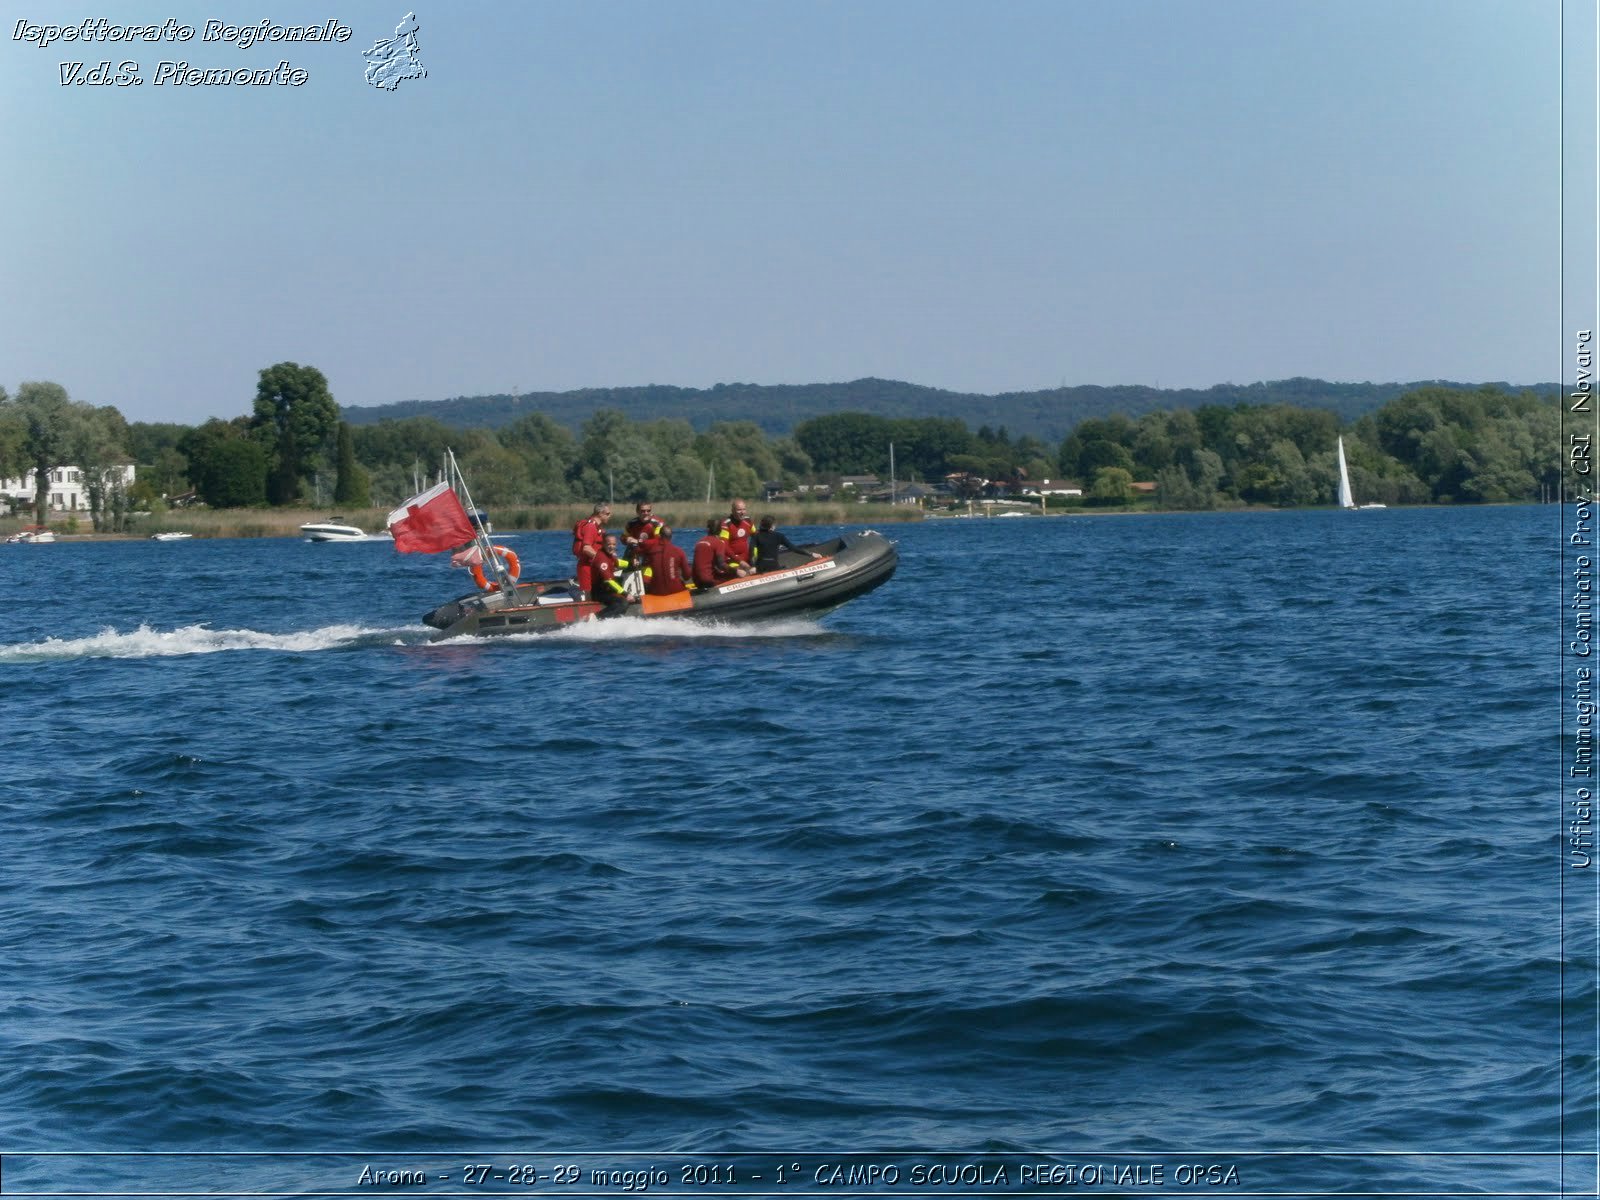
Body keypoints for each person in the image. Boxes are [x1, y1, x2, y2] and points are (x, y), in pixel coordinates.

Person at [751, 515, 824, 572]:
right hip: (774, 567)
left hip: (760, 568)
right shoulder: (779, 536)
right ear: (772, 526)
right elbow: (794, 548)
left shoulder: (756, 536)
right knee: (785, 567)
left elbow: (750, 552)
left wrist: (753, 566)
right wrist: (811, 554)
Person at [693, 518, 749, 588]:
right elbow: (721, 565)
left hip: (696, 581)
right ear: (720, 531)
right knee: (733, 576)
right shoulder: (719, 543)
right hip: (708, 581)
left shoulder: (699, 542)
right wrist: (736, 571)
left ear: (708, 530)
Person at [591, 533, 638, 613]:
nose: (612, 546)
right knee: (622, 603)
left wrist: (631, 563)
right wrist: (625, 594)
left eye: (614, 544)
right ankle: (597, 618)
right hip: (599, 592)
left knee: (631, 598)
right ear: (603, 544)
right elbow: (609, 582)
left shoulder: (608, 555)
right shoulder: (602, 559)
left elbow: (618, 562)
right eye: (609, 544)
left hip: (607, 590)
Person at [637, 524, 690, 595]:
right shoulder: (679, 552)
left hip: (656, 591)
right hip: (676, 589)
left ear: (659, 536)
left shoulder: (651, 550)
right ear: (672, 537)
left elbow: (639, 549)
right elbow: (687, 576)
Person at [572, 502, 610, 597]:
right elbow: (586, 548)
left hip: (593, 566)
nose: (610, 516)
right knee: (589, 595)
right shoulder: (591, 527)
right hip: (587, 567)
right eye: (608, 514)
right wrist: (603, 560)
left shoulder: (596, 527)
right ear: (600, 514)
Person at [718, 498, 755, 571]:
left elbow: (757, 537)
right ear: (733, 511)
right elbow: (724, 546)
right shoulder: (726, 524)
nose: (742, 512)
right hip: (732, 559)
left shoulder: (748, 521)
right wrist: (739, 561)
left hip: (747, 557)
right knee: (738, 571)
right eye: (739, 510)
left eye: (744, 509)